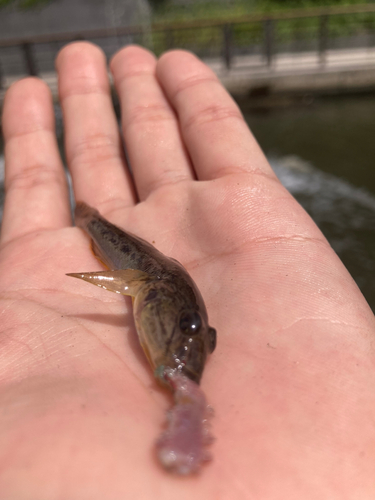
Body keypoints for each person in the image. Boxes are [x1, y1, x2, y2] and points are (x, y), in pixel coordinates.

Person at [0, 42, 374, 498]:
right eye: (192, 325)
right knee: (93, 222)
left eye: (201, 335)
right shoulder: (148, 285)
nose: (193, 342)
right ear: (159, 297)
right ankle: (89, 217)